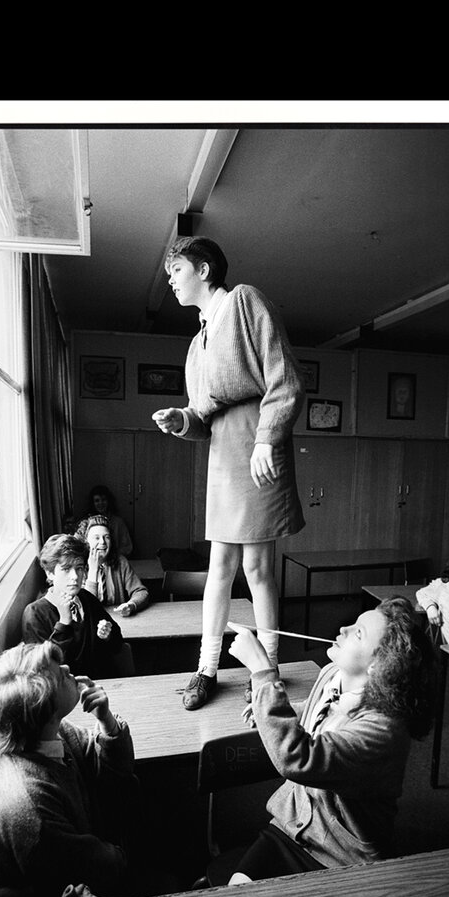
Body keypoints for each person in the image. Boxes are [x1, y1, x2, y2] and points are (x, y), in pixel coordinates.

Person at [148, 237, 302, 709]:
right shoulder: (196, 344)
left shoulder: (244, 301)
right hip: (223, 454)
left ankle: (267, 668)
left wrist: (265, 440)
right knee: (219, 567)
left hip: (256, 444)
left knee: (255, 568)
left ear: (205, 269)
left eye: (177, 270)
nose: (171, 280)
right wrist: (182, 420)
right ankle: (206, 668)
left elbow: (285, 380)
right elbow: (203, 415)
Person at [199, 599, 443, 883]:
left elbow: (297, 759)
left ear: (379, 665)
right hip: (293, 826)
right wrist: (281, 710)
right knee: (237, 891)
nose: (343, 628)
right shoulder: (334, 674)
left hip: (343, 856)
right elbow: (318, 709)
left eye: (358, 632)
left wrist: (262, 673)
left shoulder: (382, 731)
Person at [0, 641, 146, 897]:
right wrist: (130, 850)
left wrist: (106, 721)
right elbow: (101, 870)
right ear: (45, 709)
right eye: (60, 674)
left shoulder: (49, 734)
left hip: (89, 858)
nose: (68, 668)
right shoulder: (30, 808)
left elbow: (116, 769)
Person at [22, 532, 134, 678]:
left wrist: (108, 635)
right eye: (66, 569)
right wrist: (64, 623)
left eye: (79, 568)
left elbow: (118, 644)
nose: (75, 576)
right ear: (50, 573)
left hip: (102, 684)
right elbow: (44, 672)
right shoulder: (34, 614)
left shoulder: (87, 599)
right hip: (65, 695)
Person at [80, 516, 153, 619]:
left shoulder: (120, 562)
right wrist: (93, 570)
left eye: (107, 537)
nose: (102, 542)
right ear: (86, 542)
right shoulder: (78, 566)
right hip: (90, 624)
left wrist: (131, 605)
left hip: (117, 621)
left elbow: (141, 591)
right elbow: (87, 606)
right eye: (96, 538)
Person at [67, 484, 136, 567]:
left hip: (114, 564)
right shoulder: (85, 523)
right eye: (97, 500)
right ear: (93, 503)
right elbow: (76, 547)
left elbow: (128, 547)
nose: (101, 503)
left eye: (103, 500)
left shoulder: (118, 522)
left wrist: (110, 555)